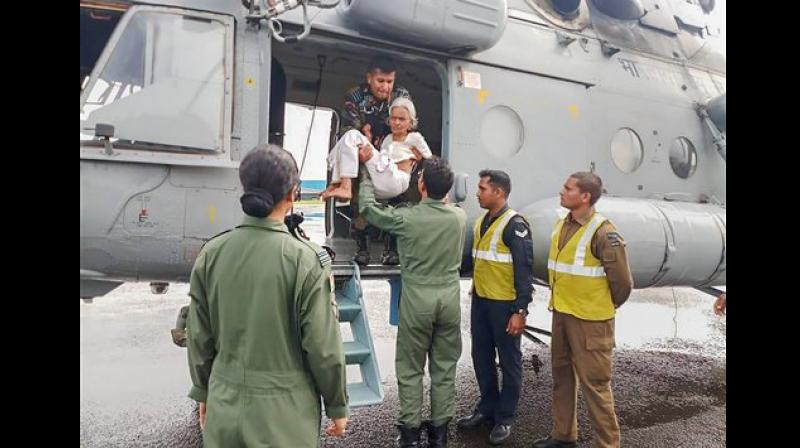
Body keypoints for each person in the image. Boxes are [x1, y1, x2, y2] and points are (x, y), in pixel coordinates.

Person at [186, 144, 349, 448]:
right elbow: (322, 347)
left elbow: (199, 336)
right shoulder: (306, 261)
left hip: (224, 408)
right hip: (284, 419)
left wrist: (203, 391)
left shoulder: (212, 254)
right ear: (293, 194)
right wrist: (337, 405)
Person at [358, 157, 467, 448]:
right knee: (444, 368)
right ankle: (440, 434)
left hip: (418, 301)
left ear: (420, 185)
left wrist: (368, 177)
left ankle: (409, 434)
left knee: (410, 370)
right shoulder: (459, 217)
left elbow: (369, 210)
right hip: (449, 301)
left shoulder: (407, 218)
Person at [532, 172, 633, 448]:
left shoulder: (604, 232)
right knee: (562, 378)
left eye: (568, 188)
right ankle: (563, 436)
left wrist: (601, 305)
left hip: (591, 321)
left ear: (585, 196)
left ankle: (608, 444)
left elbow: (623, 283)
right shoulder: (562, 225)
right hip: (563, 314)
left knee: (596, 387)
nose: (561, 192)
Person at [456, 170, 534, 445]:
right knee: (482, 357)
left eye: (482, 188)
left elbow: (524, 271)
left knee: (510, 362)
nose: (477, 193)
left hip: (505, 305)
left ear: (499, 192)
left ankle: (505, 417)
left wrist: (520, 311)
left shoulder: (515, 225)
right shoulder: (481, 222)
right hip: (481, 301)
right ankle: (487, 407)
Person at [335, 54, 412, 265]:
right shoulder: (355, 96)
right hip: (365, 155)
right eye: (381, 81)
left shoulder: (401, 95)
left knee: (398, 202)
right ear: (369, 78)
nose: (386, 87)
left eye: (390, 81)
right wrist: (363, 137)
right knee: (361, 204)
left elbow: (408, 124)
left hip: (393, 154)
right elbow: (348, 129)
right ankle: (362, 249)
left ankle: (392, 250)